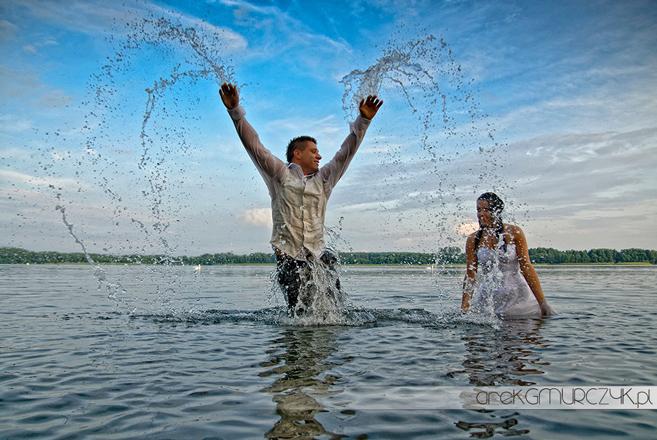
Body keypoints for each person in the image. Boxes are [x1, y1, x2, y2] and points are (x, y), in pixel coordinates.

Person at [219, 82, 383, 315]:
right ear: (297, 153)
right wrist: (235, 111)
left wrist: (363, 121)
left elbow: (346, 152)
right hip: (289, 260)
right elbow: (254, 146)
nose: (319, 155)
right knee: (298, 315)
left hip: (319, 257)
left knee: (335, 313)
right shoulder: (279, 175)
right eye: (314, 151)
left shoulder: (325, 179)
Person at [461, 192, 555, 318]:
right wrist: (464, 308)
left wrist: (543, 303)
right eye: (478, 210)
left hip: (517, 297)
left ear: (497, 212)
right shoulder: (473, 239)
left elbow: (526, 267)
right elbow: (470, 275)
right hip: (488, 298)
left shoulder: (514, 232)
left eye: (486, 210)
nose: (481, 214)